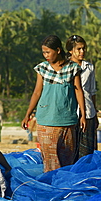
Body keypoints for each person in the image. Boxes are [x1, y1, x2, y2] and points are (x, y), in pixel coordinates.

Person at [21, 35, 86, 173]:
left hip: (67, 120)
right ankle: (51, 189)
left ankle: (64, 189)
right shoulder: (42, 68)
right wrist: (27, 115)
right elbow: (37, 93)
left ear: (57, 50)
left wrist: (83, 115)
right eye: (43, 52)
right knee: (50, 162)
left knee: (67, 161)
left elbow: (78, 91)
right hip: (46, 121)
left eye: (48, 52)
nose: (46, 56)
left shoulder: (72, 68)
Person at [66, 35, 98, 160]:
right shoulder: (65, 67)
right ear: (70, 50)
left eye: (83, 49)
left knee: (87, 150)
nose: (82, 52)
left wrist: (95, 112)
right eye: (78, 49)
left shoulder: (89, 67)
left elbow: (92, 91)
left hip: (88, 111)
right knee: (71, 149)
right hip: (71, 112)